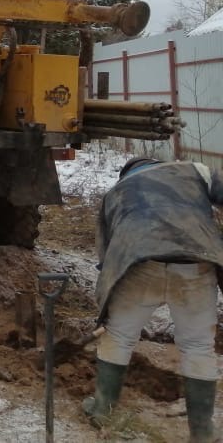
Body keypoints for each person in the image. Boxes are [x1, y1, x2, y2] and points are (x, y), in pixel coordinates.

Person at [84, 156, 223, 442]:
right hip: (196, 262)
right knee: (198, 345)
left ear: (128, 173)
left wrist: (110, 294)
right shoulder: (193, 170)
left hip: (139, 261)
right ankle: (202, 432)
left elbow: (106, 255)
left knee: (119, 335)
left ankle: (102, 410)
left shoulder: (115, 193)